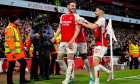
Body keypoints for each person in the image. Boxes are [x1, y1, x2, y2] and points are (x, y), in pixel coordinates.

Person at [77, 6, 112, 84]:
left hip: (102, 45)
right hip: (97, 45)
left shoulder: (102, 20)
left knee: (95, 62)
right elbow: (93, 24)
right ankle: (108, 72)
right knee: (94, 63)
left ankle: (96, 82)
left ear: (101, 12)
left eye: (96, 11)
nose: (95, 12)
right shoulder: (99, 20)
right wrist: (85, 21)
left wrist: (82, 23)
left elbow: (92, 27)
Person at [51, 0, 80, 84]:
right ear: (68, 6)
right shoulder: (63, 16)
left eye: (74, 6)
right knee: (59, 59)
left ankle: (67, 79)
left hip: (71, 42)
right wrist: (54, 37)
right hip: (63, 41)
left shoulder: (76, 16)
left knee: (69, 60)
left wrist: (72, 40)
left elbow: (77, 30)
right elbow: (60, 28)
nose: (74, 7)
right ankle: (71, 76)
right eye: (72, 5)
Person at [5, 15, 30, 84]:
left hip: (16, 51)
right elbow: (10, 42)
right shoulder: (10, 29)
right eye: (17, 20)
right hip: (12, 52)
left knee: (21, 64)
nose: (18, 21)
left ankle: (21, 80)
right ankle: (12, 82)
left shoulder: (13, 28)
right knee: (11, 66)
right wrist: (13, 53)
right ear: (13, 21)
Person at [69, 16, 94, 84]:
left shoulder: (80, 18)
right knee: (71, 59)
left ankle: (91, 77)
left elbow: (90, 24)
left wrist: (85, 24)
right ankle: (72, 77)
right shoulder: (69, 18)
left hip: (82, 41)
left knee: (84, 58)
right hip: (73, 41)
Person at [30, 15, 54, 80]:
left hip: (46, 46)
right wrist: (35, 35)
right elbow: (31, 35)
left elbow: (51, 35)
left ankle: (46, 75)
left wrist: (45, 35)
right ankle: (35, 76)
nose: (42, 22)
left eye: (43, 20)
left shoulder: (48, 27)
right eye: (41, 20)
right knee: (36, 61)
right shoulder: (35, 27)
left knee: (47, 60)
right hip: (37, 46)